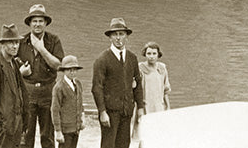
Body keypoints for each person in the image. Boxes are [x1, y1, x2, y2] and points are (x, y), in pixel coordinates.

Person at [91, 17, 143, 148]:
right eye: (115, 34)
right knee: (108, 145)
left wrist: (140, 107)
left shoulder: (132, 58)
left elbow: (138, 84)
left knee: (124, 144)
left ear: (127, 36)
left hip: (127, 111)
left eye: (121, 34)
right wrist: (102, 112)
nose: (118, 38)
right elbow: (97, 88)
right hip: (110, 112)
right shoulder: (102, 59)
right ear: (110, 37)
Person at [17, 3, 65, 148]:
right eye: (34, 21)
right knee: (26, 135)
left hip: (48, 93)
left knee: (48, 137)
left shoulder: (54, 40)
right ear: (30, 23)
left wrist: (41, 48)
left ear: (45, 23)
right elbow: (11, 69)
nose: (37, 24)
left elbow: (59, 66)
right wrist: (21, 72)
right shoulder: (20, 42)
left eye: (40, 21)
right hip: (27, 93)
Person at [0, 24, 28, 148]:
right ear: (3, 44)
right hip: (3, 129)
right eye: (11, 43)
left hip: (15, 126)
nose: (15, 46)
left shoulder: (14, 63)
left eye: (17, 42)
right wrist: (2, 123)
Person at [51, 56, 84, 148]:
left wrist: (82, 118)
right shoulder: (59, 87)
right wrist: (58, 131)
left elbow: (80, 102)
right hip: (65, 129)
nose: (72, 72)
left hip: (76, 127)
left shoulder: (78, 84)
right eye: (69, 70)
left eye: (75, 70)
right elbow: (55, 110)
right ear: (64, 71)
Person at [138, 41, 170, 115]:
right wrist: (140, 108)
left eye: (154, 53)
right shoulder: (140, 68)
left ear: (158, 54)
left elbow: (166, 90)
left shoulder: (162, 68)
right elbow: (137, 91)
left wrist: (168, 106)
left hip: (159, 106)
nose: (151, 56)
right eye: (149, 53)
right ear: (145, 54)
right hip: (145, 106)